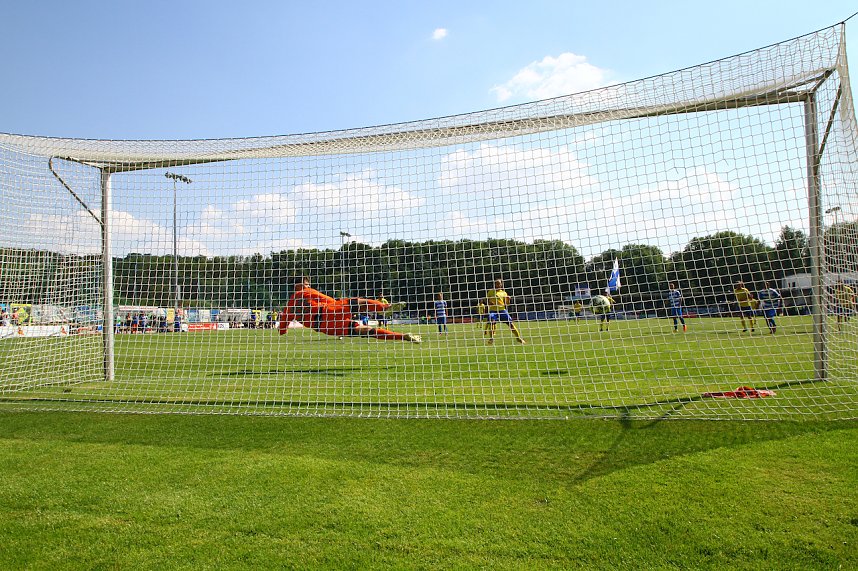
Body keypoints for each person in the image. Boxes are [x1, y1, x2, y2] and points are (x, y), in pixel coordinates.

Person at [279, 276, 421, 343]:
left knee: (365, 331)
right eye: (306, 284)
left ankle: (403, 336)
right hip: (329, 311)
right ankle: (384, 308)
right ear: (299, 285)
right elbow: (329, 300)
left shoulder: (289, 307)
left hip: (326, 327)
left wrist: (285, 327)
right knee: (358, 302)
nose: (309, 286)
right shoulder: (305, 292)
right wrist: (342, 306)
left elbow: (282, 330)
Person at [484, 279, 526, 345]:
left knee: (511, 324)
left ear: (501, 284)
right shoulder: (490, 292)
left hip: (502, 310)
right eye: (496, 283)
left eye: (498, 283)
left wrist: (508, 300)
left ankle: (518, 338)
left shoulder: (504, 293)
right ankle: (491, 338)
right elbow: (486, 300)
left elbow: (507, 304)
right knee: (491, 322)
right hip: (493, 311)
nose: (497, 285)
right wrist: (489, 303)